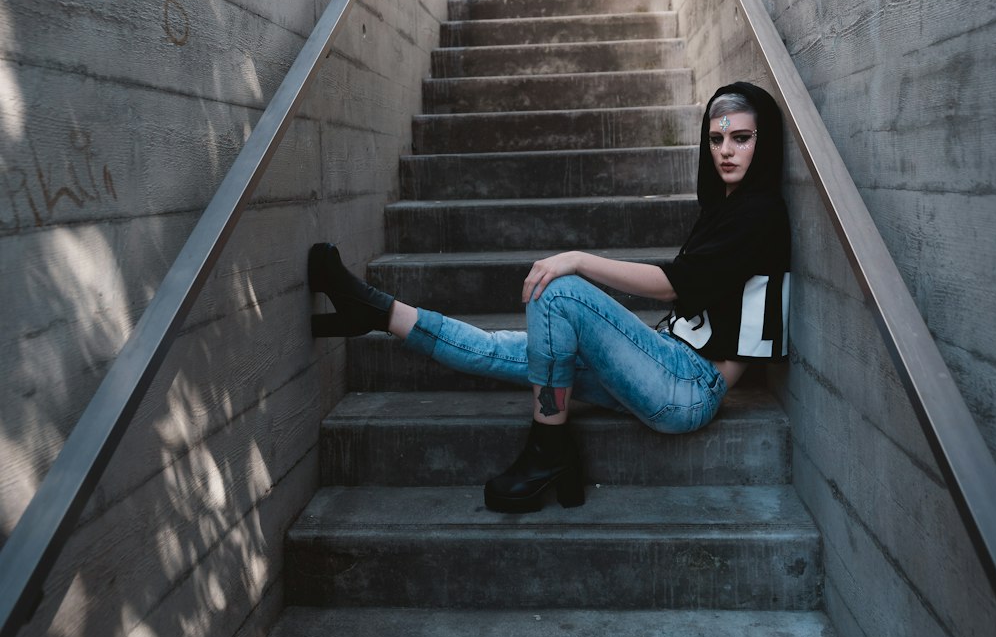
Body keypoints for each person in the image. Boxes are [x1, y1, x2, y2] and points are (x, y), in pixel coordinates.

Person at [308, 81, 790, 513]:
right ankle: (374, 309)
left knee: (557, 290)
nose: (726, 150)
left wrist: (578, 258)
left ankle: (548, 445)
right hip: (665, 365)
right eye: (716, 138)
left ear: (762, 143)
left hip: (691, 386)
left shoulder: (759, 213)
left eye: (741, 138)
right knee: (505, 348)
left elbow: (674, 285)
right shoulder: (725, 210)